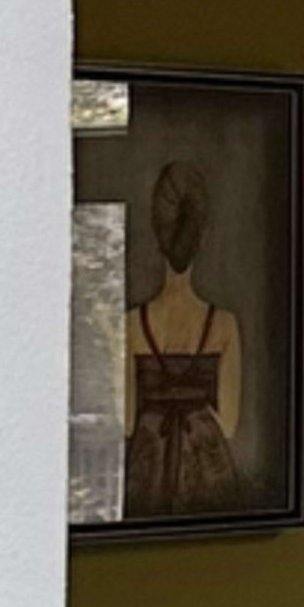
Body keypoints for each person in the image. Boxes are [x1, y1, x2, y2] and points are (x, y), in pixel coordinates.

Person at [122, 159, 246, 519]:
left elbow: (128, 423)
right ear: (202, 236)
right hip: (206, 472)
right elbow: (230, 424)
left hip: (147, 472)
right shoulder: (224, 325)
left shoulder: (132, 324)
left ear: (158, 235)